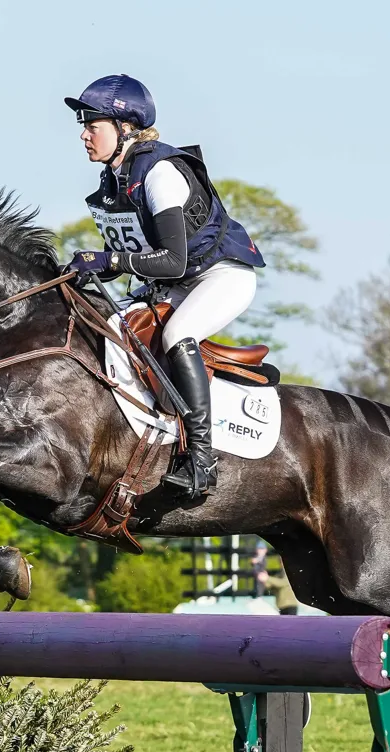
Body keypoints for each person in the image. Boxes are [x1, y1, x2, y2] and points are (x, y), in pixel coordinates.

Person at [64, 74, 265, 500]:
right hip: (175, 282)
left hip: (221, 275)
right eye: (83, 125)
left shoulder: (159, 173)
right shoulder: (114, 180)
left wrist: (111, 260)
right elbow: (131, 255)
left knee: (177, 334)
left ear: (124, 128)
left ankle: (202, 461)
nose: (83, 135)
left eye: (91, 125)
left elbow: (172, 260)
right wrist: (89, 266)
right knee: (106, 326)